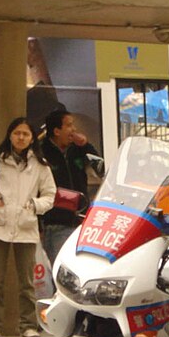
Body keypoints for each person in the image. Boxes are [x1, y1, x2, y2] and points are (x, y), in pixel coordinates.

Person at [0, 117, 56, 337]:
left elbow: (50, 195)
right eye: (17, 133)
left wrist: (35, 206)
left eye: (26, 134)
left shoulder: (40, 165)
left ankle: (28, 325)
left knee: (27, 281)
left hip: (26, 227)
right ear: (10, 135)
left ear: (32, 138)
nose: (21, 138)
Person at [40, 109, 102, 265]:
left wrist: (86, 146)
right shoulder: (41, 152)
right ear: (56, 131)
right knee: (62, 268)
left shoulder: (78, 149)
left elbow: (101, 168)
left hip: (82, 222)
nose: (74, 129)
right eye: (69, 125)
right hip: (56, 223)